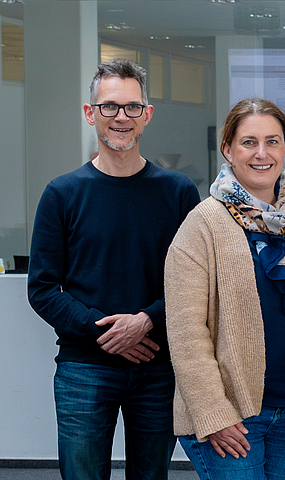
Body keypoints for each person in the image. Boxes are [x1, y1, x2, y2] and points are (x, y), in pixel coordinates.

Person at [27, 58, 200, 480]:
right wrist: (108, 333)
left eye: (131, 107)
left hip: (158, 367)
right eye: (109, 107)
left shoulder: (178, 193)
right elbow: (43, 288)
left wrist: (145, 322)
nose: (121, 117)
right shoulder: (62, 194)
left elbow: (198, 283)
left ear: (147, 116)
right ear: (90, 114)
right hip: (84, 368)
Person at [165, 97, 285, 479]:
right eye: (249, 142)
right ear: (228, 149)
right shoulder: (203, 223)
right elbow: (187, 334)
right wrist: (212, 413)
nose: (262, 153)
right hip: (231, 413)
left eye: (272, 141)